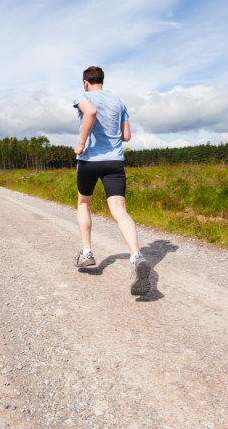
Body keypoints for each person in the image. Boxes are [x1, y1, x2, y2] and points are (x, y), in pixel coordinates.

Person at [72, 66, 149, 296]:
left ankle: (87, 252)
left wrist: (82, 142)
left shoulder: (83, 97)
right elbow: (126, 136)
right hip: (114, 162)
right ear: (102, 81)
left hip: (89, 161)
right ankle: (136, 256)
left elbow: (91, 112)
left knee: (84, 203)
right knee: (119, 211)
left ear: (86, 82)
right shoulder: (118, 101)